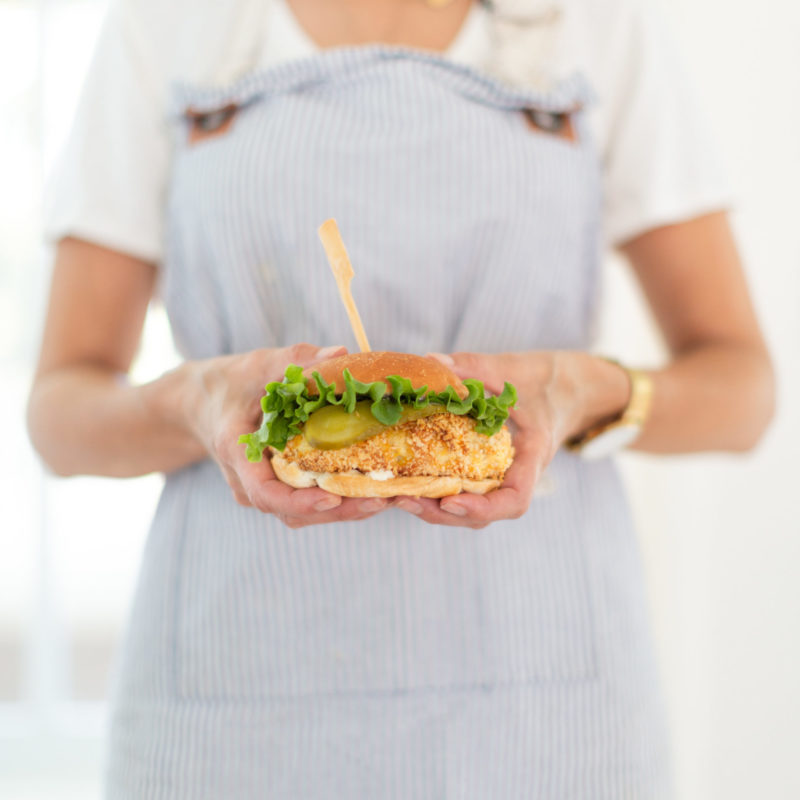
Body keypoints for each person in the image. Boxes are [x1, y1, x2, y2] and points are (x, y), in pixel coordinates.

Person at [27, 0, 774, 797]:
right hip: (239, 691)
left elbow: (742, 390)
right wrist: (193, 398)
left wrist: (584, 389)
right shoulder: (166, 24)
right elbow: (60, 418)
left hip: (542, 694)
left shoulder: (594, 25)